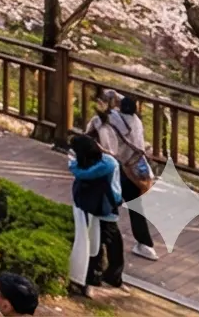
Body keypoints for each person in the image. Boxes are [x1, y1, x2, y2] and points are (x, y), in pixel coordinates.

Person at [92, 89, 162, 260]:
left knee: (106, 206)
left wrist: (109, 98)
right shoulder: (136, 122)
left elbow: (99, 122)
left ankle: (99, 243)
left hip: (118, 168)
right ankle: (146, 245)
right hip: (135, 170)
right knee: (136, 208)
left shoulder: (111, 119)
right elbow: (125, 103)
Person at [69, 130, 127, 289]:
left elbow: (74, 167)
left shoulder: (78, 165)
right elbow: (115, 190)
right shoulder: (109, 164)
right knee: (114, 246)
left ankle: (90, 278)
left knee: (93, 245)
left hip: (88, 209)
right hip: (106, 210)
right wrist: (117, 201)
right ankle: (113, 277)